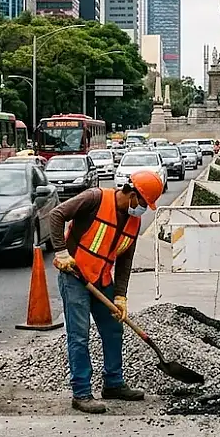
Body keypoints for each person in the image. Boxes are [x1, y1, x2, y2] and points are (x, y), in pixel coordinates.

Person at [49, 170, 164, 414]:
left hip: (101, 280)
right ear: (132, 194)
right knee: (79, 336)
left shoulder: (134, 221)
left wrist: (121, 296)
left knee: (113, 329)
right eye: (143, 203)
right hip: (75, 278)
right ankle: (81, 393)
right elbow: (56, 215)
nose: (143, 209)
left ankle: (113, 383)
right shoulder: (94, 198)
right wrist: (61, 252)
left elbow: (125, 261)